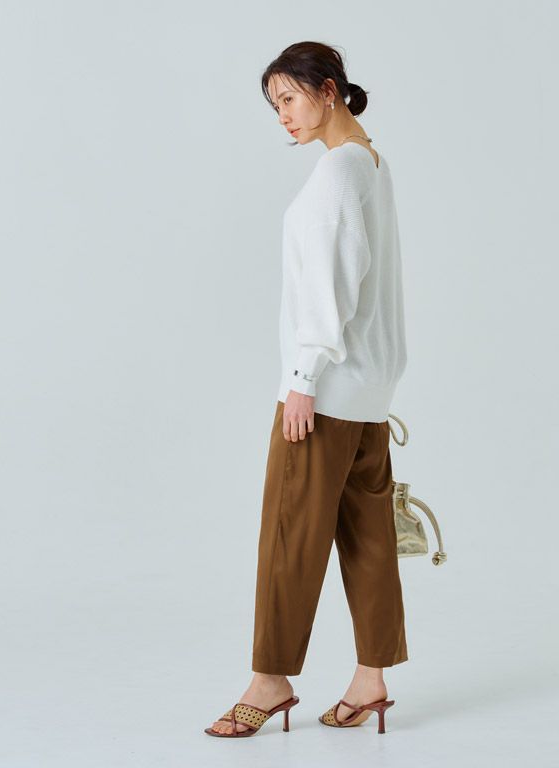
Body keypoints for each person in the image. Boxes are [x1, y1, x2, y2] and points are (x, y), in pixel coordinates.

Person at [205, 41, 409, 738]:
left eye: (289, 98)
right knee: (369, 539)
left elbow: (330, 287)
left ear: (328, 90)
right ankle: (371, 680)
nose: (283, 116)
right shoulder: (372, 163)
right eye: (274, 106)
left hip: (324, 392)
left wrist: (302, 380)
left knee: (289, 536)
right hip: (369, 392)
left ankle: (270, 680)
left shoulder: (337, 173)